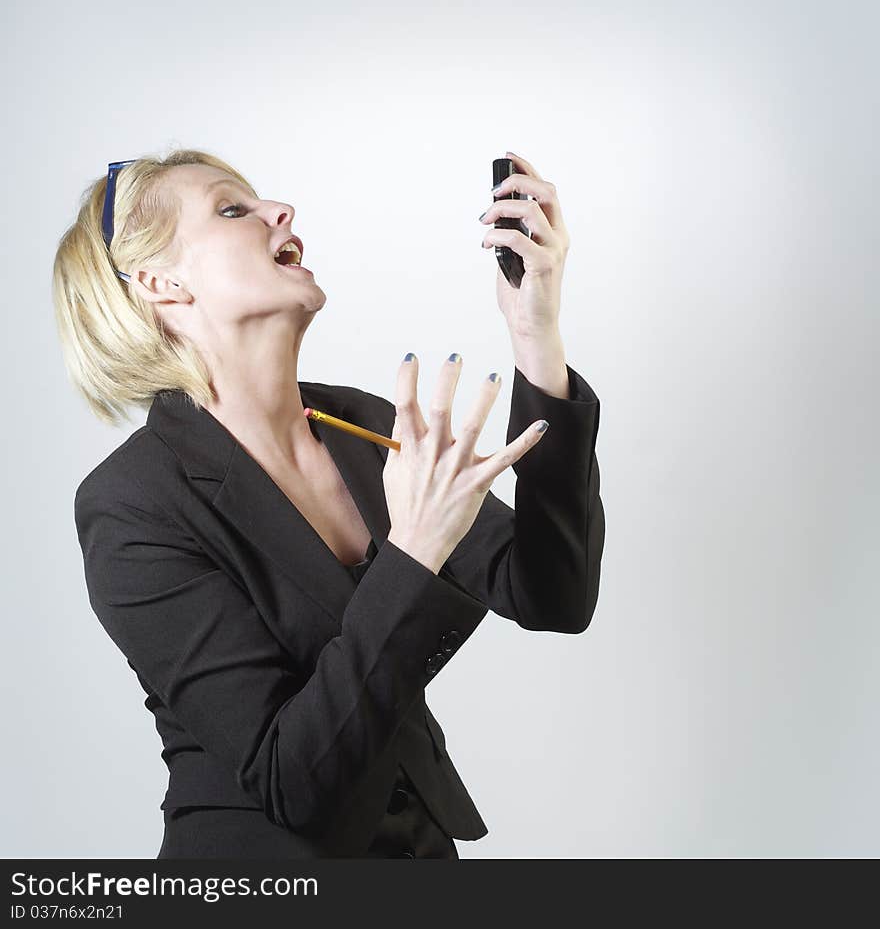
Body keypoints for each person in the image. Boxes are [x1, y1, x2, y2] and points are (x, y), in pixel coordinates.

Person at [53, 147, 605, 858]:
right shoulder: (132, 506)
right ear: (159, 283)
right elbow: (292, 780)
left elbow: (554, 596)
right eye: (232, 209)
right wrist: (414, 551)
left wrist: (536, 333)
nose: (279, 210)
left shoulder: (364, 426)